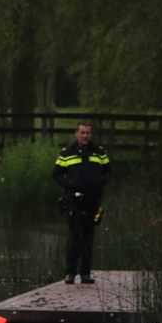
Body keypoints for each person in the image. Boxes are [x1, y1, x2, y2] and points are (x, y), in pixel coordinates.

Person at [53, 122, 112, 285]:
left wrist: (100, 182)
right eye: (82, 133)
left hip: (92, 199)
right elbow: (57, 174)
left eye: (88, 133)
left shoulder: (99, 152)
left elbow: (108, 171)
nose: (85, 136)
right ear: (76, 134)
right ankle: (70, 272)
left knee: (88, 237)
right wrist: (68, 184)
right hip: (73, 200)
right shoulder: (67, 153)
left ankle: (85, 272)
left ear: (90, 135)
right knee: (73, 237)